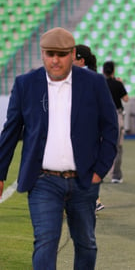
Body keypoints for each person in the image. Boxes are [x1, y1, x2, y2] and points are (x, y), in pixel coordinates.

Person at [0, 27, 118, 269]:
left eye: (61, 54)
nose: (55, 60)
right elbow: (10, 132)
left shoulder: (94, 83)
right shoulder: (25, 84)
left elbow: (110, 128)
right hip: (43, 180)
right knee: (45, 242)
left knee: (86, 243)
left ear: (72, 54)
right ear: (42, 54)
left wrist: (100, 170)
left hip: (85, 179)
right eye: (49, 54)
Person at [72, 44, 105, 212]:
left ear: (80, 60)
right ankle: (94, 199)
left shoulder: (82, 78)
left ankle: (91, 200)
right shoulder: (94, 77)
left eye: (72, 57)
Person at [103, 61, 129, 184]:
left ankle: (100, 173)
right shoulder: (117, 84)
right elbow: (126, 99)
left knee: (100, 145)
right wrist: (121, 84)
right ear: (113, 71)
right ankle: (116, 175)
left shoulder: (100, 83)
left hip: (102, 115)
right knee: (117, 146)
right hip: (116, 115)